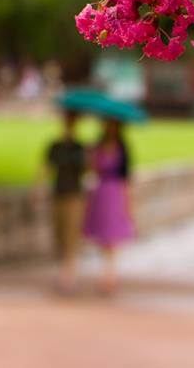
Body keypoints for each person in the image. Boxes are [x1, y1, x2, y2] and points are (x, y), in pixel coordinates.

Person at [83, 117, 136, 294]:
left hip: (115, 193)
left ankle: (110, 275)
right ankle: (106, 273)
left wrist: (128, 204)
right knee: (102, 236)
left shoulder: (122, 149)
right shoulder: (98, 147)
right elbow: (91, 170)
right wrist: (89, 155)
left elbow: (126, 179)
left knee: (113, 237)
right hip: (101, 193)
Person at [43, 109, 86, 293]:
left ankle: (69, 276)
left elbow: (88, 171)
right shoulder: (56, 146)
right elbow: (46, 167)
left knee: (71, 236)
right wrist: (38, 188)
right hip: (58, 193)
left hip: (74, 195)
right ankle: (64, 272)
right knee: (59, 236)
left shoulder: (80, 148)